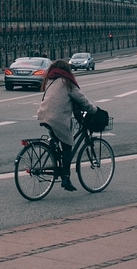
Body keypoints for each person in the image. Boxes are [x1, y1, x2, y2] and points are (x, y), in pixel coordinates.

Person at [36, 59, 99, 192]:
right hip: (57, 118)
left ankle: (56, 162)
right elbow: (82, 99)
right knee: (67, 145)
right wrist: (94, 110)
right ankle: (65, 177)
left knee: (57, 141)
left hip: (43, 115)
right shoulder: (66, 81)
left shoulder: (50, 80)